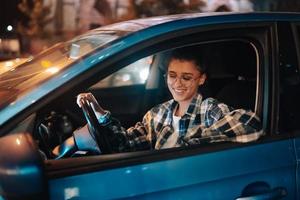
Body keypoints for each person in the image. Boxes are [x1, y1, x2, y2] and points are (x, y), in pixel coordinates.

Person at [77, 47, 264, 152]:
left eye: (187, 77)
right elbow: (123, 144)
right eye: (172, 75)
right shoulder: (157, 114)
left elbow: (250, 123)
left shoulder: (209, 109)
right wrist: (101, 115)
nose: (178, 83)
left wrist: (186, 144)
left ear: (201, 79)